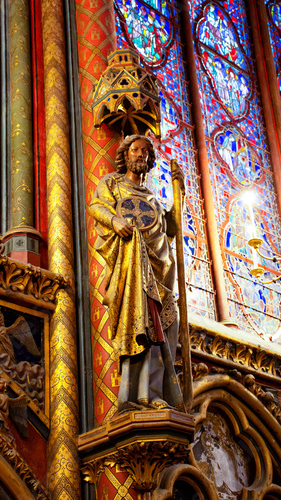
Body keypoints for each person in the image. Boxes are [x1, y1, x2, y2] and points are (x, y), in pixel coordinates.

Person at [89, 135, 185, 413]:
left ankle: (154, 393)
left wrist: (180, 194)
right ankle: (135, 394)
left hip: (160, 269)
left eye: (145, 151)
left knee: (161, 329)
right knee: (140, 325)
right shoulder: (112, 183)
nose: (141, 155)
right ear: (125, 155)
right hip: (131, 268)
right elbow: (96, 207)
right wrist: (114, 220)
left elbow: (170, 230)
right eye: (135, 150)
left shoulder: (153, 198)